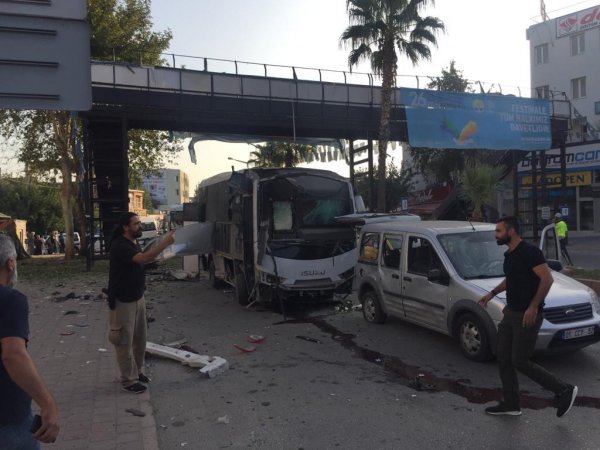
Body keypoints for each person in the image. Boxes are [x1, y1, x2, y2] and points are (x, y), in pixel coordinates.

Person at [478, 216, 577, 418]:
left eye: (498, 231)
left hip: (527, 315)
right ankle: (511, 404)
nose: (495, 235)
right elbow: (511, 279)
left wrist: (533, 306)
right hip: (510, 312)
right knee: (503, 358)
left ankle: (563, 389)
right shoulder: (510, 255)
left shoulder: (530, 252)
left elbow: (547, 279)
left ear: (511, 231)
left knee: (520, 360)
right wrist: (492, 294)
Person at [0, 234, 60, 448]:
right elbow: (13, 355)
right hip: (8, 419)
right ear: (10, 263)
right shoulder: (9, 300)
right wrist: (47, 403)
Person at [107, 212, 175, 394]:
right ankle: (128, 380)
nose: (140, 226)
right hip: (123, 301)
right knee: (123, 341)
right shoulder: (120, 246)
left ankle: (137, 372)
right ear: (126, 227)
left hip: (137, 298)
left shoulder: (132, 243)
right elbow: (143, 258)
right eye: (136, 224)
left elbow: (142, 262)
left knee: (140, 339)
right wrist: (164, 244)